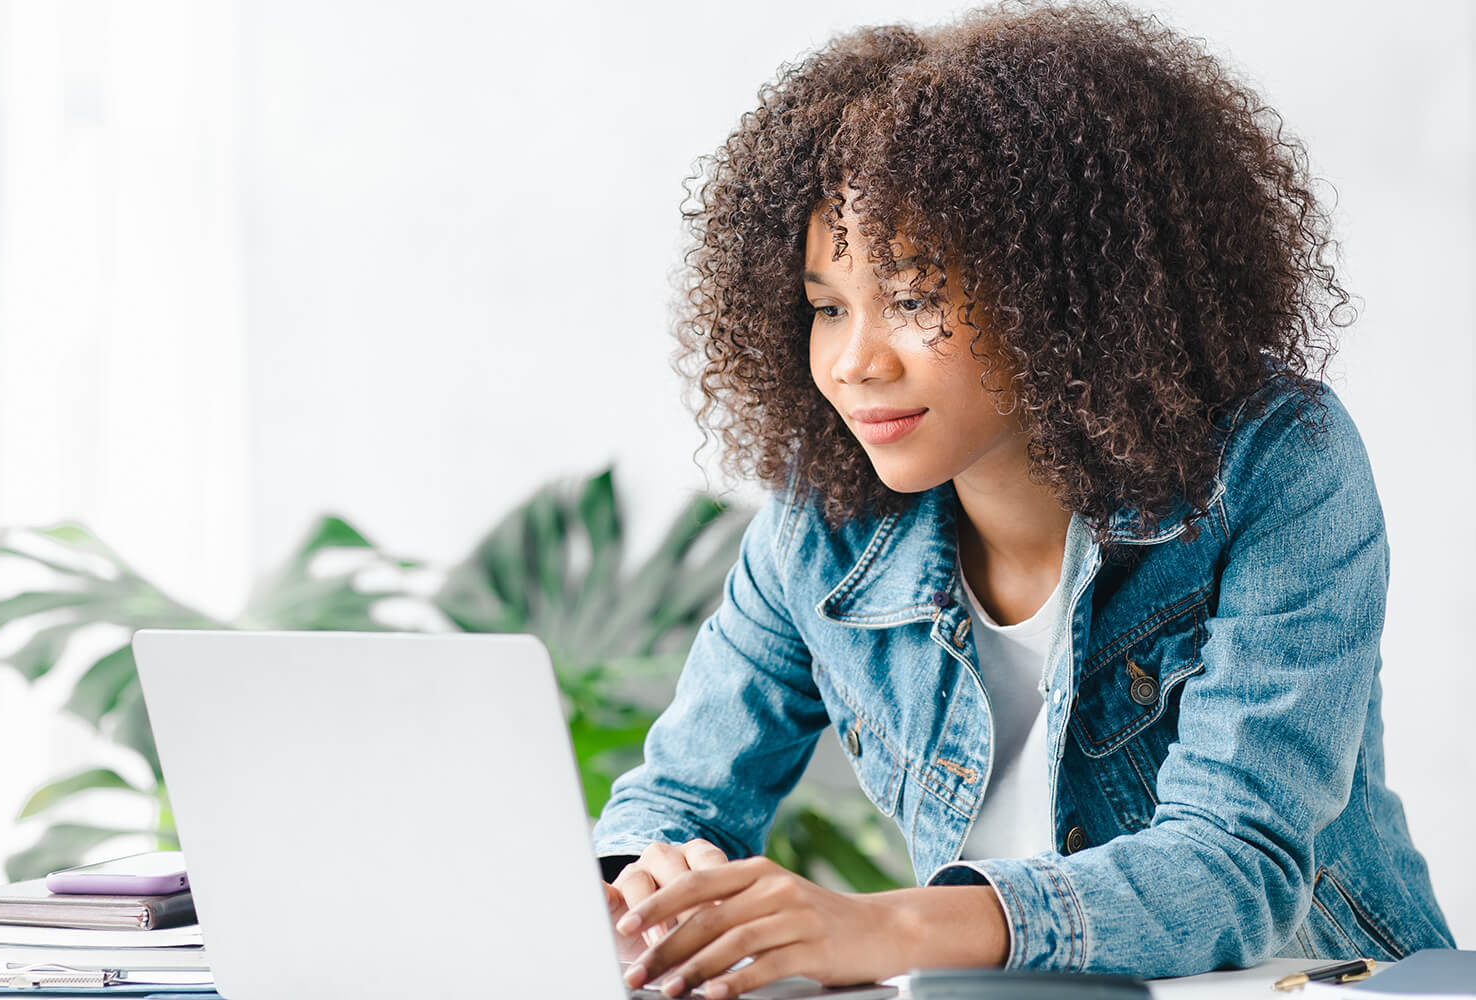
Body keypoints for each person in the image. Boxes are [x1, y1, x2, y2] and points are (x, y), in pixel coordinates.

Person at [590, 2, 1455, 996]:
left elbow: (1235, 864)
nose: (855, 361)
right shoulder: (824, 516)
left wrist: (884, 927)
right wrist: (655, 878)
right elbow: (676, 799)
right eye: (828, 307)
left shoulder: (1276, 463)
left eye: (914, 299)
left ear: (1064, 293)